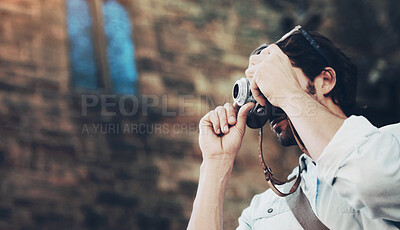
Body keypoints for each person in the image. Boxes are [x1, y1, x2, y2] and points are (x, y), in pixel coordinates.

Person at [187, 26, 400, 229]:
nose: (266, 97)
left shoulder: (392, 142)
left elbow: (373, 181)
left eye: (276, 77)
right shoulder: (263, 209)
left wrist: (286, 92)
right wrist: (216, 163)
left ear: (325, 80)